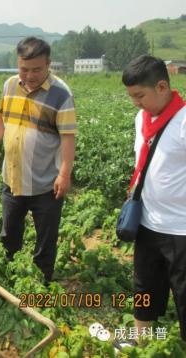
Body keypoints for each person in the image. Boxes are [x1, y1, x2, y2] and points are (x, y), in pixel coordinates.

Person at [0, 37, 76, 284]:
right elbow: (0, 116)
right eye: (24, 69)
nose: (30, 75)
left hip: (46, 182)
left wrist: (64, 174)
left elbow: (68, 138)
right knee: (9, 233)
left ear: (48, 64)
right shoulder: (10, 85)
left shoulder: (61, 94)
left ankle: (42, 283)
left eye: (37, 69)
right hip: (12, 178)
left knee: (45, 238)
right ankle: (9, 277)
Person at [115, 55, 186, 350]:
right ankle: (142, 337)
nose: (135, 102)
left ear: (162, 86)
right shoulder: (140, 118)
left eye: (140, 96)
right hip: (148, 221)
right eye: (131, 96)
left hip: (181, 228)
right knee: (145, 285)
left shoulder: (183, 121)